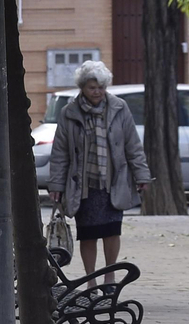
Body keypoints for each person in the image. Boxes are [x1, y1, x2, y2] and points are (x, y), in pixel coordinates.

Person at [47, 59, 151, 277]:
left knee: (112, 231)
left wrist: (142, 175)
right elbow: (60, 152)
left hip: (113, 182)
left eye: (101, 87)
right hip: (84, 185)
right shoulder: (69, 112)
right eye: (92, 88)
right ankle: (91, 278)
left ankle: (110, 275)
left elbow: (133, 145)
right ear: (82, 87)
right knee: (88, 234)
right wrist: (56, 184)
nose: (98, 92)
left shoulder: (119, 108)